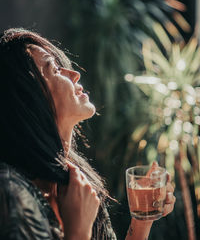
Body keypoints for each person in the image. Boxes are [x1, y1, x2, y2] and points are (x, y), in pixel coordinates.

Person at [0, 28, 175, 240]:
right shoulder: (10, 197)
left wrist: (142, 218)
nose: (74, 74)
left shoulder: (76, 180)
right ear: (27, 99)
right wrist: (78, 233)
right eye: (54, 69)